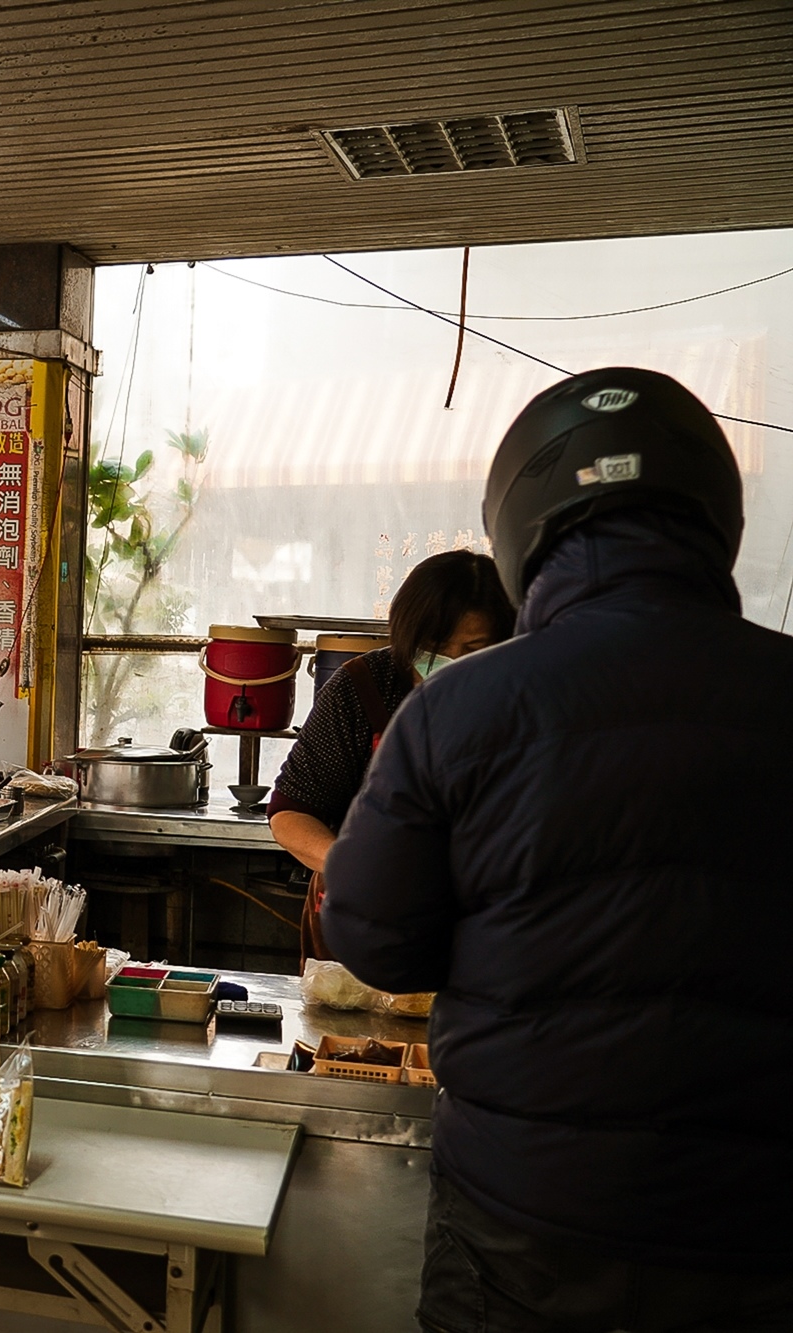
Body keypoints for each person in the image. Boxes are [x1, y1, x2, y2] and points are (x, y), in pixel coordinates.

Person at [323, 368, 793, 1332]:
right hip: (759, 1225)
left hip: (522, 1220)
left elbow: (373, 941)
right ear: (715, 513)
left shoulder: (459, 707)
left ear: (522, 530)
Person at [267, 551, 514, 959]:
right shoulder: (363, 688)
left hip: (489, 925)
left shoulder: (524, 698)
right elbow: (291, 810)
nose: (449, 665)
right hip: (367, 922)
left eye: (473, 650)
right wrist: (355, 868)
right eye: (432, 649)